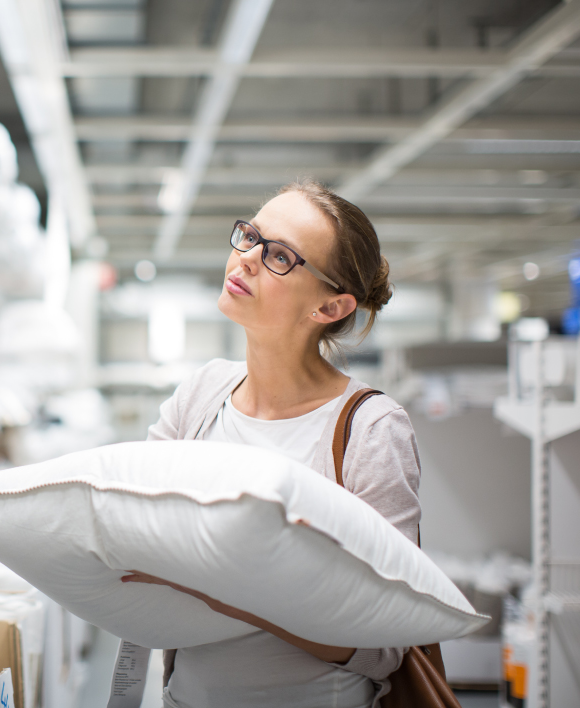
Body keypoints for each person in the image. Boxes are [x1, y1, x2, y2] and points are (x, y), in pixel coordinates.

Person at [128, 179, 419, 708]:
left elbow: (387, 640)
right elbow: (131, 530)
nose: (246, 260)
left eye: (280, 256)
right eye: (250, 236)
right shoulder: (200, 396)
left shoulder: (371, 429)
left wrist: (231, 595)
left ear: (331, 307)